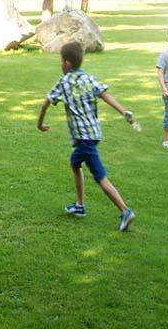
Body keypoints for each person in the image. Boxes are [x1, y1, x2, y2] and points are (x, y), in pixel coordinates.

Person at [37, 41, 137, 231]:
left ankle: (125, 210)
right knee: (75, 163)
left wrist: (39, 124)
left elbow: (45, 104)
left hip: (84, 139)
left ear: (66, 63)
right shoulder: (89, 79)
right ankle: (80, 205)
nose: (60, 64)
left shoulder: (64, 82)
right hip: (93, 134)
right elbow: (106, 96)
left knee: (100, 177)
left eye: (61, 61)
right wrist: (124, 112)